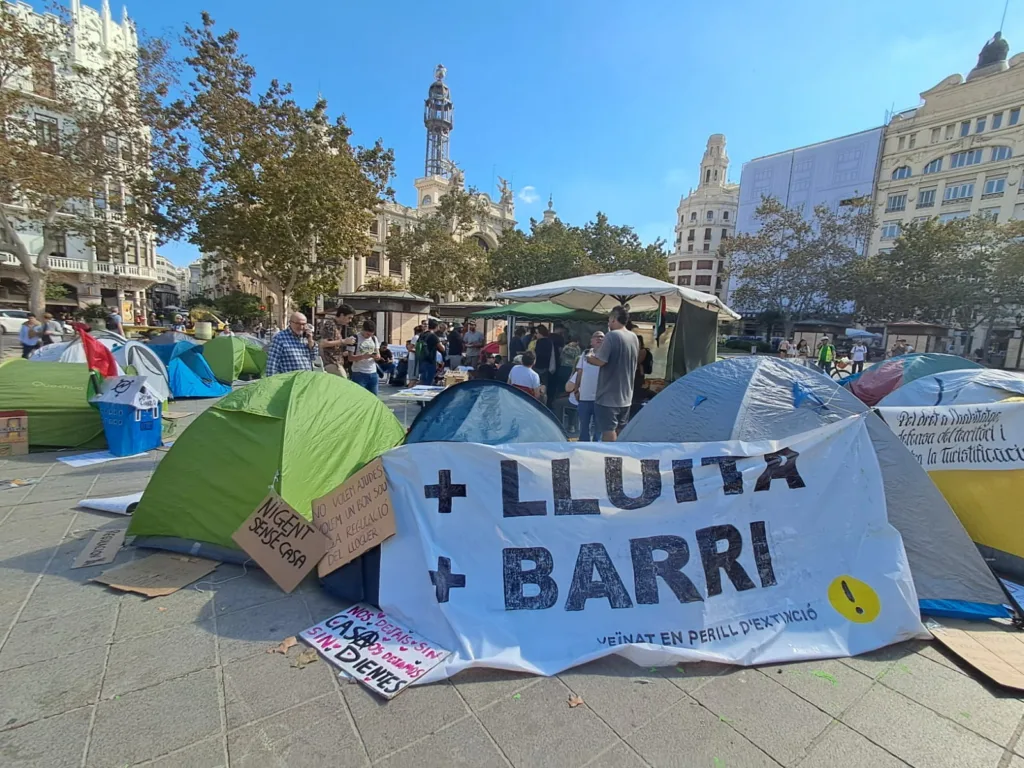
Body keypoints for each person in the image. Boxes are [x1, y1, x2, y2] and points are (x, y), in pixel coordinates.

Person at [586, 306, 639, 442]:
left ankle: (610, 459)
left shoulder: (612, 336)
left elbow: (600, 361)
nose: (608, 323)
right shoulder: (634, 337)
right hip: (626, 395)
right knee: (621, 429)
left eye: (609, 319)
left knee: (608, 430)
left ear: (614, 319)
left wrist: (589, 357)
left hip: (608, 395)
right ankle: (621, 456)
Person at [568, 331, 604, 442]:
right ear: (591, 341)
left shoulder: (607, 356)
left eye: (602, 337)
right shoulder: (585, 354)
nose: (599, 338)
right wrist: (576, 390)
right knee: (584, 429)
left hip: (601, 398)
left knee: (599, 430)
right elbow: (579, 372)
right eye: (596, 336)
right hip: (584, 396)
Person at [319, 305, 356, 377]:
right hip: (331, 362)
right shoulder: (330, 324)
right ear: (342, 315)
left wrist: (343, 352)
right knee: (343, 383)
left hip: (336, 362)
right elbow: (323, 343)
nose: (350, 320)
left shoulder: (338, 326)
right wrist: (344, 341)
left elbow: (333, 346)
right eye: (349, 317)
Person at [349, 319, 381, 395]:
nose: (368, 336)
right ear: (362, 329)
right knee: (359, 397)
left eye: (371, 334)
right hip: (359, 373)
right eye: (367, 334)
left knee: (374, 398)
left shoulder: (374, 338)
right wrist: (363, 356)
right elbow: (350, 358)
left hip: (373, 372)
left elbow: (378, 354)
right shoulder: (354, 338)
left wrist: (376, 356)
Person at [416, 319, 444, 385]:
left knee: (423, 380)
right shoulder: (433, 336)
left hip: (422, 360)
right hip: (430, 361)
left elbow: (417, 347)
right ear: (436, 326)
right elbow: (442, 349)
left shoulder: (422, 335)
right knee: (428, 381)